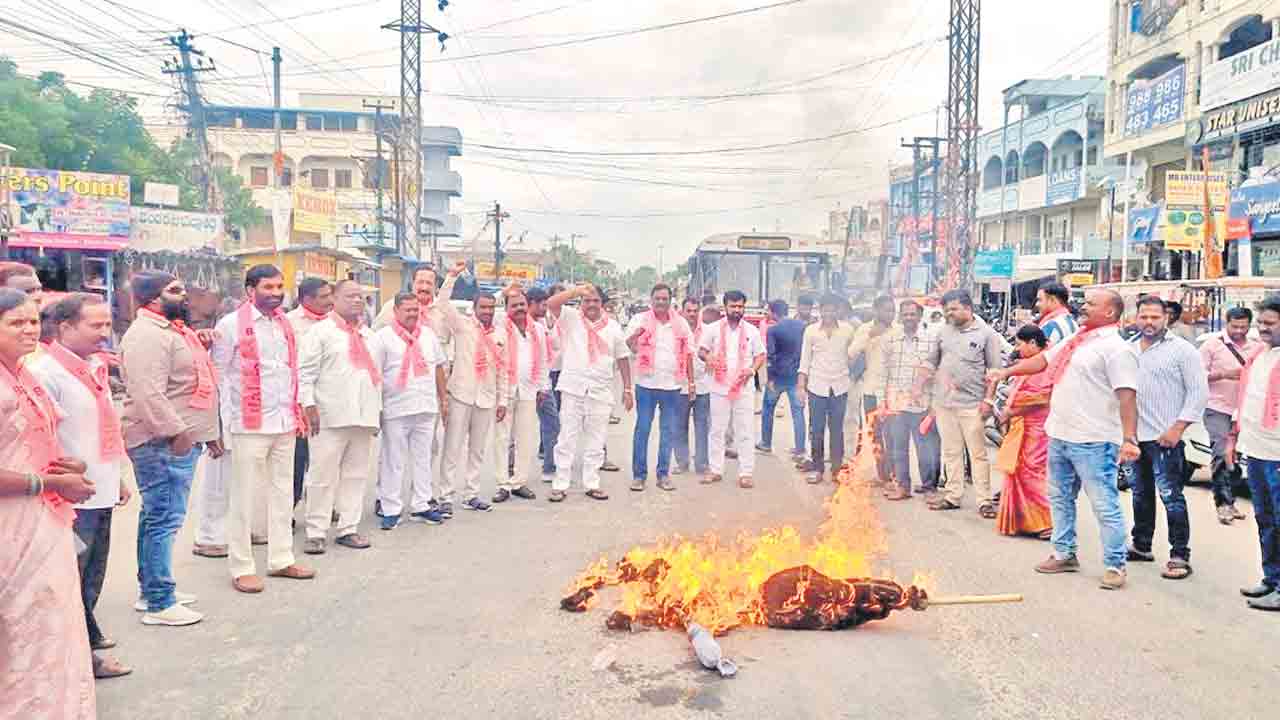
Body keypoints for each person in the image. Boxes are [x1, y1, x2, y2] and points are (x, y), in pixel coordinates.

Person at [989, 288, 1139, 590]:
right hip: (1059, 433)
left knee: (1104, 504)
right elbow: (1042, 361)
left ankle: (1114, 565)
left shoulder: (1116, 349)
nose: (1082, 307)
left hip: (1093, 440)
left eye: (1090, 304)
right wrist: (1006, 371)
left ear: (1109, 312)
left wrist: (1129, 439)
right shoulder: (1077, 339)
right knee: (1059, 498)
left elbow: (1127, 396)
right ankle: (1064, 553)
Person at [0, 288, 97, 718]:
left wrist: (65, 463)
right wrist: (48, 481)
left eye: (32, 320)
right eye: (15, 322)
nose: (29, 329)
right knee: (21, 626)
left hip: (45, 517)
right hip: (13, 521)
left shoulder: (24, 372)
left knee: (55, 622)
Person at [29, 293, 133, 679]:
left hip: (100, 490)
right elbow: (45, 441)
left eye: (108, 324)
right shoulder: (46, 373)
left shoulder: (91, 366)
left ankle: (81, 651)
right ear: (66, 327)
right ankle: (74, 660)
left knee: (91, 578)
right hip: (70, 498)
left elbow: (101, 428)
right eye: (96, 325)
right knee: (70, 583)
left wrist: (117, 475)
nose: (105, 333)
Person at [119, 272, 221, 623]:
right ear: (151, 298)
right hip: (162, 442)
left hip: (177, 439)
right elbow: (149, 393)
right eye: (174, 291)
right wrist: (177, 432)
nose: (185, 297)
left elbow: (190, 383)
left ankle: (152, 590)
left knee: (156, 518)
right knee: (165, 519)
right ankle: (161, 602)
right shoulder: (147, 335)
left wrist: (208, 431)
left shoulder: (172, 331)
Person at [211, 265, 316, 595]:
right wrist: (220, 426)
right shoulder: (230, 326)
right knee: (244, 497)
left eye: (279, 286)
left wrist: (299, 411)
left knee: (284, 492)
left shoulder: (284, 325)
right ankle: (241, 566)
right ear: (250, 290)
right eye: (268, 287)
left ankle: (281, 558)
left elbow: (290, 372)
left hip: (284, 422)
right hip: (247, 424)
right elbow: (219, 376)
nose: (275, 292)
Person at [1127, 296, 1209, 580]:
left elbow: (1198, 393)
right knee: (1139, 494)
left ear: (1166, 318)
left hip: (1165, 438)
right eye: (1144, 317)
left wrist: (1177, 428)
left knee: (1171, 496)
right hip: (1135, 438)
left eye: (1154, 317)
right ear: (1136, 317)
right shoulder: (1128, 349)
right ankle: (1141, 545)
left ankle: (1179, 555)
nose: (1149, 322)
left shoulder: (1183, 351)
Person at [299, 280, 382, 552]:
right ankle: (316, 532)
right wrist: (308, 405)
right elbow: (305, 374)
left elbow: (377, 379)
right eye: (350, 296)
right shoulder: (320, 332)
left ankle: (348, 528)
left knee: (356, 476)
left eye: (360, 297)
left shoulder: (370, 336)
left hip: (363, 417)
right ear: (333, 298)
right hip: (328, 415)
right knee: (322, 476)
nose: (357, 301)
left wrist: (376, 413)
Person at [545, 283, 633, 502]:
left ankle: (591, 483)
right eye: (587, 301)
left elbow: (622, 357)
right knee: (566, 438)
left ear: (602, 304)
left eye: (595, 301)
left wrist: (628, 388)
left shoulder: (612, 327)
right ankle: (560, 484)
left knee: (597, 440)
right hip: (573, 389)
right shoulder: (570, 319)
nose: (591, 305)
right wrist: (576, 291)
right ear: (581, 303)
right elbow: (551, 303)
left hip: (601, 391)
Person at [435, 261, 508, 515]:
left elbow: (503, 370)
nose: (487, 311)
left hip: (486, 399)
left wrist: (503, 401)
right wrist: (451, 276)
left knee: (477, 450)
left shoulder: (500, 334)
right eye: (483, 307)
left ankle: (471, 494)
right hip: (461, 395)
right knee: (452, 448)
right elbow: (442, 304)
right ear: (475, 309)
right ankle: (445, 496)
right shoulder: (462, 326)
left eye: (491, 307)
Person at [371, 292, 447, 529]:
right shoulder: (382, 338)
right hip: (396, 407)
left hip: (425, 406)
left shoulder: (428, 335)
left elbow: (438, 369)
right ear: (395, 311)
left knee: (423, 458)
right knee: (393, 460)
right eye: (408, 310)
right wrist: (376, 409)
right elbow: (374, 375)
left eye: (416, 310)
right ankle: (391, 508)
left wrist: (443, 399)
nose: (413, 314)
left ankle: (421, 505)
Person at [925, 289, 1004, 517]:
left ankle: (984, 501)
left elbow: (995, 371)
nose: (949, 313)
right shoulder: (942, 332)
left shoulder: (987, 334)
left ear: (968, 309)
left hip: (973, 405)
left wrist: (989, 400)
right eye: (947, 309)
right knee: (951, 452)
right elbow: (932, 362)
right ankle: (952, 496)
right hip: (944, 403)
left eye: (954, 309)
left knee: (977, 454)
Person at [1227, 295, 1280, 610]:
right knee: (1266, 518)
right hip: (1257, 450)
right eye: (1260, 323)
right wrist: (1235, 439)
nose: (1261, 329)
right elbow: (1247, 400)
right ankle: (1271, 578)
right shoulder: (1260, 356)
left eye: (1269, 324)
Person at [625, 283, 694, 492]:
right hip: (646, 384)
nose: (661, 302)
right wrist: (635, 336)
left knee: (668, 431)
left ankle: (663, 475)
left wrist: (691, 383)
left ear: (670, 301)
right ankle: (639, 476)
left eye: (665, 299)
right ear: (651, 300)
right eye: (658, 299)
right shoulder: (639, 320)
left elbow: (689, 353)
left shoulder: (681, 323)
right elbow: (629, 346)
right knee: (643, 429)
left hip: (672, 386)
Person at [1201, 306, 1264, 525]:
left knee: (1237, 458)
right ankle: (1223, 504)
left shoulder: (1257, 347)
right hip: (1217, 407)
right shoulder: (1212, 345)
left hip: (1245, 410)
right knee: (1220, 452)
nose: (1238, 331)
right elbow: (1198, 377)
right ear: (1226, 323)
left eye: (1243, 327)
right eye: (1234, 326)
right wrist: (1225, 374)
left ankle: (1231, 499)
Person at [991, 324, 1053, 537]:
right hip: (1024, 425)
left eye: (1019, 344)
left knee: (1032, 472)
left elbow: (1042, 398)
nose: (1017, 348)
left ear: (1033, 343)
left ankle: (1046, 522)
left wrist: (1010, 411)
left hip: (1037, 427)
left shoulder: (1044, 364)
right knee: (1018, 469)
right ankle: (1025, 521)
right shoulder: (1031, 363)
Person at [700, 290, 766, 488]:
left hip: (743, 389)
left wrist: (752, 370)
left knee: (745, 431)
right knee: (717, 430)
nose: (737, 310)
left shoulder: (752, 331)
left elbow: (761, 355)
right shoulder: (712, 329)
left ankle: (746, 473)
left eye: (740, 306)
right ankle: (715, 470)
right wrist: (709, 358)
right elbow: (701, 351)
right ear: (725, 307)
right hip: (719, 387)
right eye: (733, 306)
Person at [492, 285, 550, 502]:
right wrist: (504, 291)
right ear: (506, 308)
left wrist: (543, 387)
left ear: (528, 306)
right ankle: (502, 484)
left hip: (529, 389)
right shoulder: (499, 325)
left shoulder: (538, 330)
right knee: (502, 438)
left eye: (522, 305)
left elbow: (544, 360)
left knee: (526, 437)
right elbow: (482, 307)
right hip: (505, 391)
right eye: (514, 305)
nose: (518, 308)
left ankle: (519, 482)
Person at [880, 299, 941, 501]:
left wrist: (935, 402)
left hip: (922, 404)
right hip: (896, 404)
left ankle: (929, 488)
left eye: (912, 314)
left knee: (926, 448)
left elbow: (937, 371)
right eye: (905, 314)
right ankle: (903, 486)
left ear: (920, 315)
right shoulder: (891, 340)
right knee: (898, 448)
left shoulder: (931, 340)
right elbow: (884, 372)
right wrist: (883, 401)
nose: (908, 318)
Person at [286, 278, 334, 515]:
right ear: (306, 299)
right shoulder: (289, 324)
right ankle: (289, 511)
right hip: (298, 403)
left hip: (329, 401)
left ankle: (323, 508)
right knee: (297, 460)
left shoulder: (337, 323)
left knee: (326, 460)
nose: (330, 301)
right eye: (324, 296)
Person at [797, 293, 858, 484]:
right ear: (820, 310)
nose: (829, 312)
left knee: (837, 429)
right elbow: (804, 360)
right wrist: (801, 386)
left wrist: (852, 371)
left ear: (837, 310)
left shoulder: (848, 330)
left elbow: (855, 353)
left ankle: (837, 469)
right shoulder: (811, 331)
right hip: (817, 386)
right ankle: (817, 468)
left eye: (832, 309)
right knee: (816, 429)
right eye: (825, 309)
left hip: (840, 386)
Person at [849, 295, 895, 484]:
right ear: (876, 310)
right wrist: (869, 337)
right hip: (871, 390)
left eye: (892, 310)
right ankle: (871, 473)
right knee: (871, 433)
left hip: (893, 392)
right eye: (886, 310)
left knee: (892, 434)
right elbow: (851, 353)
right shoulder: (865, 329)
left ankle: (891, 474)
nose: (890, 314)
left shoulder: (898, 330)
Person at [758, 299, 807, 461]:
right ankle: (800, 448)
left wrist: (770, 377)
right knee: (798, 413)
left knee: (768, 409)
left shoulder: (773, 330)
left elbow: (771, 355)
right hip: (796, 376)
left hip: (778, 376)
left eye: (768, 311)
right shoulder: (802, 326)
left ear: (773, 312)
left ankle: (766, 443)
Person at [674, 297, 711, 477]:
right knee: (679, 425)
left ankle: (702, 463)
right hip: (680, 385)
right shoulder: (675, 330)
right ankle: (682, 462)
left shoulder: (708, 331)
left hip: (703, 383)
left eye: (695, 310)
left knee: (702, 424)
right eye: (688, 310)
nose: (692, 314)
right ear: (682, 311)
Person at [534, 285, 562, 484]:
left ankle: (549, 466)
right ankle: (510, 472)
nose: (546, 307)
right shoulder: (522, 323)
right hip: (526, 383)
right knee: (516, 430)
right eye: (544, 304)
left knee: (552, 424)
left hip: (549, 379)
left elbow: (552, 350)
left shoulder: (549, 321)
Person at [373, 265, 438, 331]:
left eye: (429, 283)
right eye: (420, 282)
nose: (424, 287)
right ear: (412, 284)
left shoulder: (444, 309)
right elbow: (374, 333)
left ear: (435, 286)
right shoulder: (393, 306)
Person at [1035, 281, 1077, 346]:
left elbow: (1040, 354)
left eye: (1040, 300)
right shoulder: (1073, 322)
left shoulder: (1051, 325)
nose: (1036, 304)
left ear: (1053, 300)